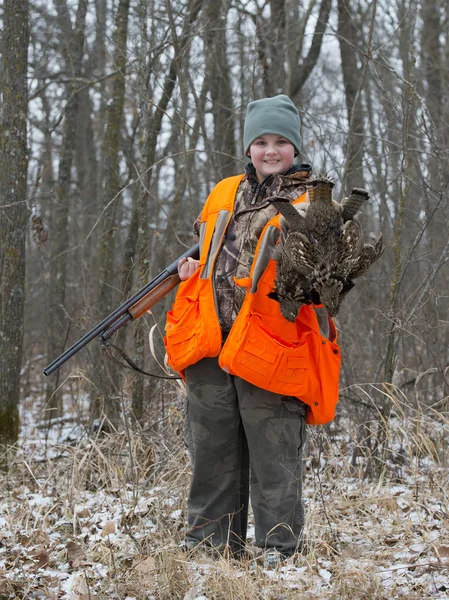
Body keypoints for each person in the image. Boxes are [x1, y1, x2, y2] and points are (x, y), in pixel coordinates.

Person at [164, 95, 341, 562]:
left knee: (274, 454)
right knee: (212, 451)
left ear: (296, 148)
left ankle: (278, 547)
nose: (269, 150)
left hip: (273, 346)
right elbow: (208, 253)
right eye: (260, 141)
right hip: (211, 340)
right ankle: (209, 543)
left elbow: (329, 285)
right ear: (247, 148)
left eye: (281, 141)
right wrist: (190, 269)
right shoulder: (224, 192)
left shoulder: (314, 202)